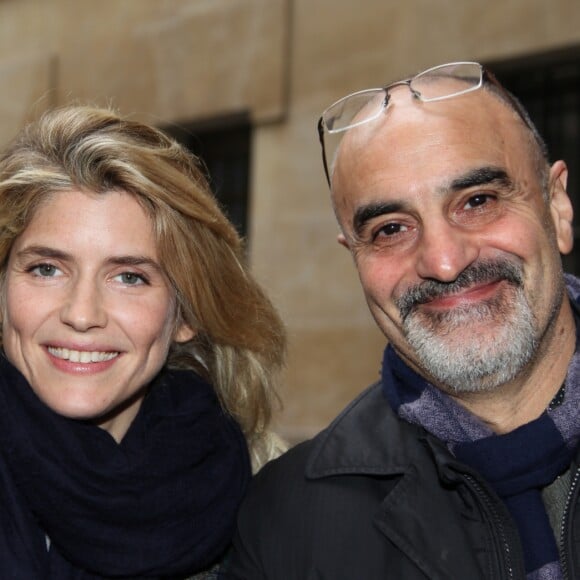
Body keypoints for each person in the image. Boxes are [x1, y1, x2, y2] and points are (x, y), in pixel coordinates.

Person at [227, 61, 580, 579]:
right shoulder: (286, 523)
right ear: (354, 255)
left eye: (477, 201)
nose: (443, 261)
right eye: (391, 229)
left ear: (557, 209)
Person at [0, 105, 286, 578]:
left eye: (129, 277)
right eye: (46, 269)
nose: (81, 314)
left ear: (185, 315)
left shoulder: (271, 504)